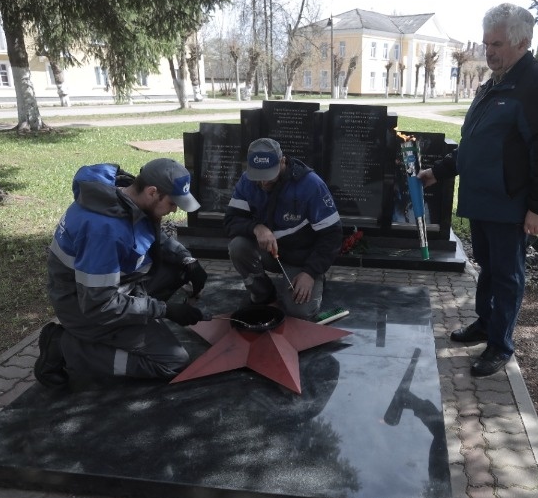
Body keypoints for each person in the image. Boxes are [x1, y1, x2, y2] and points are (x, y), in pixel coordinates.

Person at [417, 3, 538, 377]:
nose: (490, 51)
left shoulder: (536, 83)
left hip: (510, 204)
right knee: (487, 268)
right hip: (481, 200)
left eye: (497, 43)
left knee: (507, 275)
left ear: (523, 43)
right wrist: (438, 171)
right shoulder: (493, 85)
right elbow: (473, 144)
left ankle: (500, 345)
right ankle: (485, 324)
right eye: (487, 43)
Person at [35, 158, 211, 388]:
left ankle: (137, 320)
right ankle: (65, 347)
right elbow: (100, 304)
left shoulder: (125, 196)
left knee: (178, 268)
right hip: (85, 309)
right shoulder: (104, 231)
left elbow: (152, 235)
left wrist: (188, 260)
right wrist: (165, 310)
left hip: (118, 287)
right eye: (172, 203)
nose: (174, 209)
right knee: (172, 362)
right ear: (152, 192)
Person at [224, 138, 342, 320]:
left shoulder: (311, 185)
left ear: (282, 161)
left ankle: (316, 280)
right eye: (258, 175)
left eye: (268, 174)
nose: (263, 182)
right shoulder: (246, 181)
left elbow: (332, 235)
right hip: (270, 253)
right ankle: (263, 293)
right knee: (237, 246)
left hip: (302, 259)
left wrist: (310, 273)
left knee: (299, 312)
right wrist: (256, 227)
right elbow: (231, 221)